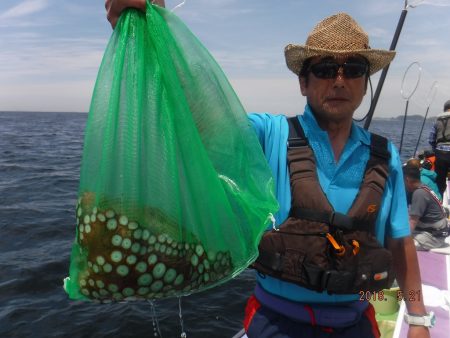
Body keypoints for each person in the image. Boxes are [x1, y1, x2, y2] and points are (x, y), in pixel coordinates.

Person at [106, 2, 432, 337]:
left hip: (356, 324)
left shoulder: (385, 155)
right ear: (303, 82)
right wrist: (154, 32)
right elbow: (200, 115)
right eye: (323, 69)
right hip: (275, 323)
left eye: (352, 69)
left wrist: (418, 317)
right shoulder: (269, 135)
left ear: (366, 84)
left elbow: (400, 246)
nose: (339, 81)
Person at [403, 165, 449, 251]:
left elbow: (413, 221)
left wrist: (402, 240)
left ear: (407, 180)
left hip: (434, 237)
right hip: (436, 230)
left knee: (403, 244)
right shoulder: (423, 187)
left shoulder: (419, 193)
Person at [428, 100, 450, 197]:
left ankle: (439, 202)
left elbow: (431, 139)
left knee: (440, 181)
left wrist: (435, 149)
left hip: (440, 154)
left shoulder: (437, 121)